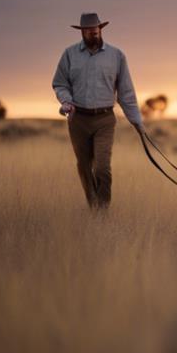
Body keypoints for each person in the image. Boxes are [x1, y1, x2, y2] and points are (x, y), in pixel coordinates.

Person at [52, 13, 144, 210]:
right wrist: (66, 101)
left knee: (102, 168)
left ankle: (103, 210)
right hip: (78, 119)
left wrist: (136, 121)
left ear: (101, 29)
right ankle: (93, 206)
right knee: (84, 167)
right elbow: (60, 83)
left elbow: (126, 92)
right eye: (89, 31)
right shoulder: (69, 54)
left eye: (96, 30)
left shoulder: (116, 55)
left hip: (104, 119)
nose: (93, 34)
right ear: (82, 32)